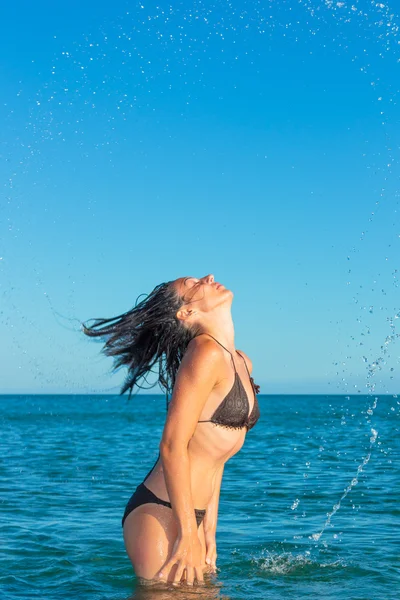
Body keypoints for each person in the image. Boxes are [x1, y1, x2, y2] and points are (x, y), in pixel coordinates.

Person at [82, 274, 260, 586]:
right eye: (193, 284)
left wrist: (208, 532)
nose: (209, 277)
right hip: (161, 514)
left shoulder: (241, 362)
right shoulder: (205, 353)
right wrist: (188, 534)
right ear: (186, 313)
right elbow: (172, 446)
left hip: (193, 519)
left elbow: (214, 456)